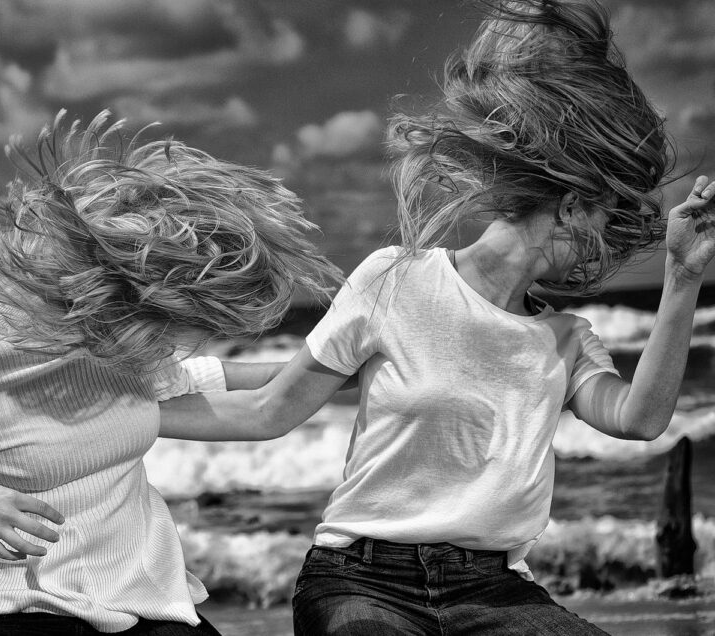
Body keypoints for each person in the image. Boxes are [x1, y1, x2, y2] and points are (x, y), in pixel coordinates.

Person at [157, 1, 715, 634]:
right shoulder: (395, 280)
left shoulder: (566, 341)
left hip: (496, 592)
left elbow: (641, 419)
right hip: (360, 581)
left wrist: (683, 275)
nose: (604, 244)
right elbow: (269, 411)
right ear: (567, 205)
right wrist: (122, 420)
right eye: (601, 217)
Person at [0, 110, 342, 636]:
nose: (171, 340)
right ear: (115, 292)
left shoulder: (120, 336)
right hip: (10, 605)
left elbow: (197, 380)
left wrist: (349, 362)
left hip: (141, 596)